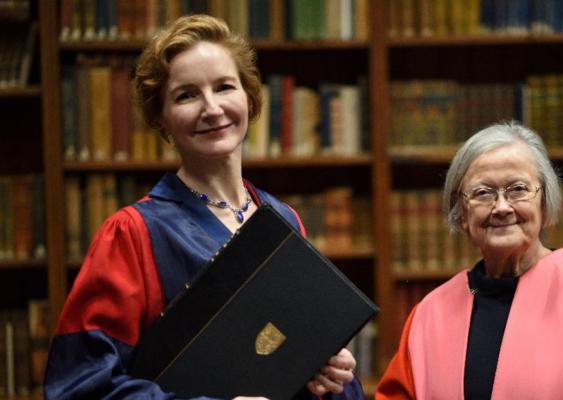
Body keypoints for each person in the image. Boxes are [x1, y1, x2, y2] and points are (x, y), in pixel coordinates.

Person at [44, 14, 364, 400]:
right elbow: (78, 387)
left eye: (224, 87)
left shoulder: (283, 220)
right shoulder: (132, 234)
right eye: (186, 95)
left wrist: (331, 375)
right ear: (160, 119)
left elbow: (290, 361)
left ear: (249, 97)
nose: (211, 108)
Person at [376, 122, 563, 399]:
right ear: (461, 213)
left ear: (545, 202)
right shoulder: (430, 314)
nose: (501, 207)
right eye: (482, 193)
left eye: (518, 189)